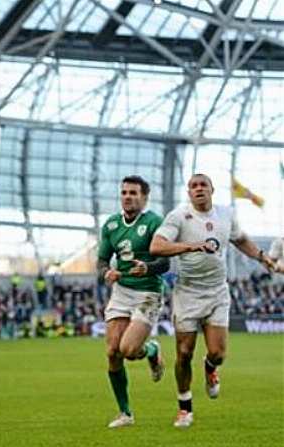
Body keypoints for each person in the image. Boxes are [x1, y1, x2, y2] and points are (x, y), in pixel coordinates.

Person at [150, 173, 279, 428]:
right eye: (193, 186)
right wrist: (191, 246)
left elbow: (240, 239)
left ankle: (210, 368)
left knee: (218, 353)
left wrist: (262, 256)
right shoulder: (179, 216)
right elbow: (157, 246)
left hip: (217, 291)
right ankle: (184, 408)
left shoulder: (225, 214)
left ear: (212, 190)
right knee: (184, 353)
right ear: (189, 192)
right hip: (187, 292)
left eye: (203, 185)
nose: (198, 189)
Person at [96, 176, 169, 428]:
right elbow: (102, 261)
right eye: (124, 192)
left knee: (128, 350)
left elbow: (165, 263)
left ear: (144, 197)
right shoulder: (111, 225)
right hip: (122, 291)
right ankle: (125, 413)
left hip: (148, 293)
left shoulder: (155, 223)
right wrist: (107, 272)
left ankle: (152, 350)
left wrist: (147, 267)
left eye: (133, 193)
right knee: (112, 353)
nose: (127, 196)